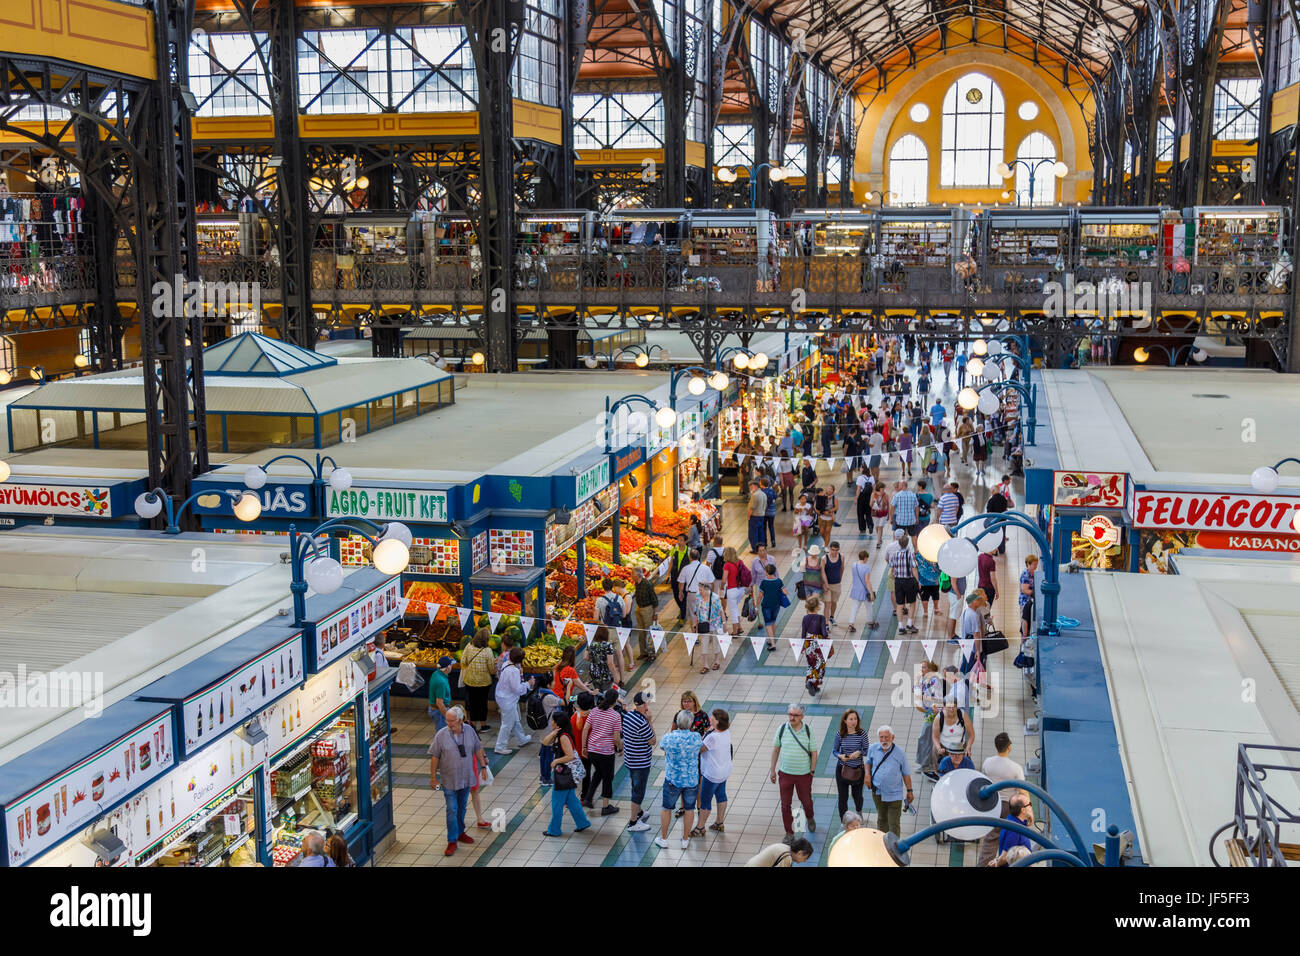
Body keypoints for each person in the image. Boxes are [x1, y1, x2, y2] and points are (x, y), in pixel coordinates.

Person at [428, 705, 488, 856]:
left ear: (461, 720)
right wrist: (433, 778)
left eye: (452, 721)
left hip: (466, 778)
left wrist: (483, 767)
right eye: (447, 720)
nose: (449, 723)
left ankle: (460, 833)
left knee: (462, 808)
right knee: (451, 809)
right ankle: (452, 840)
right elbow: (435, 756)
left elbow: (477, 748)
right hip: (449, 780)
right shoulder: (441, 735)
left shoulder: (469, 731)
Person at [978, 732, 1028, 866]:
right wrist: (1028, 810)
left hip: (991, 804)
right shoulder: (1016, 768)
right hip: (1007, 807)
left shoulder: (987, 762)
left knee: (990, 838)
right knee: (1008, 840)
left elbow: (983, 780)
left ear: (996, 746)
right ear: (1009, 747)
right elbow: (1023, 792)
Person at [540, 710, 592, 837]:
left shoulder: (563, 737)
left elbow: (570, 756)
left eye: (553, 720)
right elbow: (545, 742)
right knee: (571, 800)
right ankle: (583, 822)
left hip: (564, 774)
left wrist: (556, 761)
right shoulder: (559, 734)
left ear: (557, 723)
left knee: (557, 803)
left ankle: (554, 830)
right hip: (567, 774)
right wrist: (553, 732)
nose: (551, 722)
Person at [656, 710, 702, 850]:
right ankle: (685, 839)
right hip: (691, 780)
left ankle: (663, 838)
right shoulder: (696, 737)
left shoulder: (668, 738)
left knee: (666, 809)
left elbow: (662, 746)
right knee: (689, 809)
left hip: (673, 780)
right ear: (691, 724)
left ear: (677, 722)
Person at [770, 703, 818, 835]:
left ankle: (810, 817)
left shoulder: (808, 730)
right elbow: (775, 750)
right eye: (790, 714)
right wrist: (772, 769)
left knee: (806, 801)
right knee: (785, 805)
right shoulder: (781, 729)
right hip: (785, 775)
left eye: (795, 715)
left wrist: (812, 771)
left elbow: (814, 752)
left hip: (804, 775)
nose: (792, 718)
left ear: (802, 716)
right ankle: (789, 833)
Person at [865, 725, 914, 838]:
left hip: (894, 794)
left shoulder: (900, 753)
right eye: (881, 737)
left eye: (886, 737)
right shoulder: (873, 748)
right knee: (881, 819)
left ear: (892, 737)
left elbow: (906, 774)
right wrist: (867, 775)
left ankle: (895, 846)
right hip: (878, 792)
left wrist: (909, 791)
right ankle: (881, 842)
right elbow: (868, 762)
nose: (884, 740)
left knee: (894, 822)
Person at [581, 688, 622, 816]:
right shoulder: (615, 716)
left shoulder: (594, 711)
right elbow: (616, 738)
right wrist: (620, 748)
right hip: (606, 752)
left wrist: (584, 747)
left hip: (592, 750)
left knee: (598, 772)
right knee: (608, 778)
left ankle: (588, 798)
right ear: (615, 702)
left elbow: (585, 729)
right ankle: (606, 806)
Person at [621, 691, 656, 831]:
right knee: (638, 791)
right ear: (641, 705)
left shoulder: (629, 715)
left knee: (635, 786)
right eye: (646, 703)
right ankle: (633, 822)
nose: (648, 705)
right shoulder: (642, 721)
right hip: (640, 762)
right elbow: (653, 741)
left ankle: (639, 812)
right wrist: (649, 720)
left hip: (630, 759)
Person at [694, 708, 732, 835]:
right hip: (724, 771)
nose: (710, 719)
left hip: (711, 774)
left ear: (717, 722)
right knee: (721, 795)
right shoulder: (726, 732)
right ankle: (719, 822)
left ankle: (700, 828)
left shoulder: (713, 737)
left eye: (713, 718)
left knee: (705, 800)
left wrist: (705, 735)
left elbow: (700, 749)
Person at [493, 646, 535, 755]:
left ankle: (521, 739)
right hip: (508, 700)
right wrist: (528, 684)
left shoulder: (506, 664)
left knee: (515, 720)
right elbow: (517, 689)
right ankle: (500, 746)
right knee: (507, 724)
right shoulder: (514, 671)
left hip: (502, 697)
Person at [831, 708, 868, 819]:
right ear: (845, 721)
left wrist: (859, 752)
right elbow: (834, 750)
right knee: (843, 797)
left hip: (857, 770)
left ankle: (859, 811)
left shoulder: (862, 734)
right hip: (842, 769)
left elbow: (867, 750)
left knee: (857, 795)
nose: (853, 721)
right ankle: (844, 819)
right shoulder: (840, 734)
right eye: (851, 719)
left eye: (855, 719)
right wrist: (840, 756)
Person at [460, 629, 496, 734]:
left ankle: (473, 725)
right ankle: (483, 725)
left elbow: (463, 661)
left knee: (472, 703)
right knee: (482, 703)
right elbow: (491, 669)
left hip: (470, 681)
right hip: (484, 682)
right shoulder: (488, 651)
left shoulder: (468, 646)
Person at [886, 530, 919, 634]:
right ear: (907, 543)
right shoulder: (910, 554)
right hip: (909, 581)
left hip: (898, 581)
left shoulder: (895, 554)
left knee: (899, 604)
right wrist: (917, 582)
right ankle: (909, 624)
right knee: (912, 602)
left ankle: (900, 627)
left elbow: (891, 567)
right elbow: (914, 569)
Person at [676, 547, 714, 629]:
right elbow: (711, 582)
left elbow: (681, 582)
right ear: (699, 557)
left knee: (693, 615)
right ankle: (704, 632)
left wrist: (680, 592)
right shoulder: (706, 568)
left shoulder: (685, 569)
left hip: (692, 595)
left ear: (690, 558)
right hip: (704, 594)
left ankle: (695, 636)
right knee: (704, 613)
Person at [800, 596, 832, 695]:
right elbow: (824, 632)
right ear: (818, 607)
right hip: (819, 644)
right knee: (820, 664)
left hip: (808, 643)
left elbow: (803, 633)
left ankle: (810, 681)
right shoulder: (821, 618)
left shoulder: (805, 618)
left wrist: (802, 645)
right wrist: (827, 637)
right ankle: (813, 683)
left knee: (811, 663)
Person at [931, 695, 974, 766]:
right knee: (943, 770)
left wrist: (968, 747)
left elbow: (971, 734)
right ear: (944, 707)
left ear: (957, 706)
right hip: (944, 748)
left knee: (963, 769)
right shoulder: (939, 718)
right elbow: (935, 737)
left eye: (953, 707)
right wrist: (939, 748)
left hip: (960, 747)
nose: (951, 709)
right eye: (948, 707)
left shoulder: (963, 715)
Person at [632, 567, 659, 661]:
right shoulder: (637, 583)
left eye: (632, 574)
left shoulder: (647, 584)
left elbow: (654, 599)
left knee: (649, 632)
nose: (631, 576)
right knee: (641, 632)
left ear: (637, 575)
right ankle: (643, 652)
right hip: (639, 608)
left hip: (647, 609)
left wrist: (655, 613)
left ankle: (652, 653)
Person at [586, 625, 622, 694]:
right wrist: (615, 676)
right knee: (607, 694)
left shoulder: (590, 644)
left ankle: (599, 704)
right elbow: (610, 663)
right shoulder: (608, 645)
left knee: (598, 693)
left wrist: (595, 659)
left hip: (594, 672)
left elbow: (586, 657)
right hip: (605, 673)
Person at [758, 563, 787, 651]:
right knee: (773, 621)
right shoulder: (779, 581)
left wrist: (756, 606)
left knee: (767, 623)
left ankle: (772, 644)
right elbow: (785, 592)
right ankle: (771, 640)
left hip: (766, 605)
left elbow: (760, 596)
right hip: (776, 605)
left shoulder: (764, 582)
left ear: (766, 572)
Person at [721, 546, 747, 638]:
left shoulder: (727, 565)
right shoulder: (740, 562)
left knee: (733, 611)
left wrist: (721, 587)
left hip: (732, 590)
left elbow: (724, 580)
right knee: (735, 608)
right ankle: (740, 627)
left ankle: (735, 631)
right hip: (740, 589)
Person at [744, 834, 814, 867]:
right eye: (805, 858)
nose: (805, 861)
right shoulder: (786, 857)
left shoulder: (785, 847)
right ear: (799, 853)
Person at [427, 656, 454, 733]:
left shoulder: (436, 673)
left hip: (435, 709)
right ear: (447, 668)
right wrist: (447, 716)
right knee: (442, 733)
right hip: (439, 711)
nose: (452, 666)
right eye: (451, 665)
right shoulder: (441, 682)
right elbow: (439, 702)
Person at [669, 534, 691, 625]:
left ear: (685, 541)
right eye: (678, 540)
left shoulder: (689, 551)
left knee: (683, 596)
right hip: (674, 576)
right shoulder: (674, 549)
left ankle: (682, 616)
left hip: (684, 578)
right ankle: (683, 610)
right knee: (675, 595)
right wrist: (668, 574)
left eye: (681, 540)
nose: (679, 542)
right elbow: (671, 562)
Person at [823, 541, 844, 624]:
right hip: (827, 585)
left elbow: (842, 568)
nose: (834, 552)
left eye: (836, 550)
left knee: (834, 602)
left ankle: (832, 616)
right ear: (829, 549)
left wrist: (840, 579)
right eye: (832, 550)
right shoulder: (824, 558)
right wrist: (825, 584)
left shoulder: (841, 557)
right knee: (827, 604)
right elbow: (822, 572)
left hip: (837, 584)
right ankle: (826, 623)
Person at [1020, 554, 1039, 639]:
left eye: (1036, 564)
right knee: (1025, 620)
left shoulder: (1032, 573)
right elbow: (1024, 590)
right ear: (1028, 564)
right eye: (1034, 564)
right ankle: (1024, 637)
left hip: (1030, 601)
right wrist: (1034, 593)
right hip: (1025, 601)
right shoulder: (1026, 575)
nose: (1036, 566)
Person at [747, 479, 767, 553]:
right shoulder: (763, 494)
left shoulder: (755, 495)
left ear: (755, 486)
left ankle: (755, 549)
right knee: (760, 533)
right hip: (762, 516)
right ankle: (761, 548)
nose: (750, 489)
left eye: (751, 487)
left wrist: (748, 516)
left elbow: (752, 507)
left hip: (754, 517)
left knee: (753, 534)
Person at [870, 483, 890, 550]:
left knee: (880, 526)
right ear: (879, 488)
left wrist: (889, 515)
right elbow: (870, 504)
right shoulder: (873, 494)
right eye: (882, 488)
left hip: (884, 513)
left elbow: (888, 504)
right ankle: (880, 538)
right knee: (877, 526)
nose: (883, 490)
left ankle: (878, 542)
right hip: (875, 513)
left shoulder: (886, 495)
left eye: (884, 488)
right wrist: (873, 502)